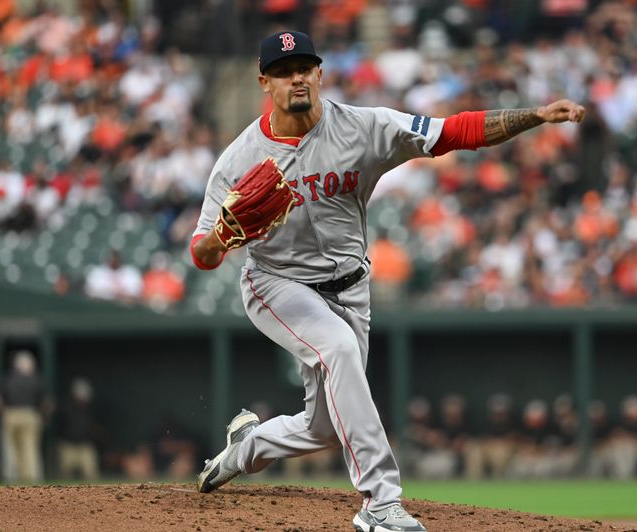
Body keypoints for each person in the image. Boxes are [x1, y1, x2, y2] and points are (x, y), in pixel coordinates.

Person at [190, 30, 585, 532]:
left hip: (351, 289)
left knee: (325, 428)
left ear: (319, 73)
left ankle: (247, 448)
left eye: (305, 67)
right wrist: (223, 237)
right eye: (285, 71)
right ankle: (381, 500)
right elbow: (201, 254)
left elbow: (452, 132)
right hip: (277, 285)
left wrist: (534, 116)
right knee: (337, 350)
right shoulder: (238, 158)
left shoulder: (363, 127)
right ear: (264, 80)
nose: (297, 78)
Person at [0, 350, 53, 482]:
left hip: (11, 414)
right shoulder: (37, 379)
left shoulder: (8, 378)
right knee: (30, 447)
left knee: (10, 448)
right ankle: (31, 477)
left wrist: (3, 413)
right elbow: (47, 402)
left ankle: (11, 476)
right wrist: (44, 416)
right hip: (30, 415)